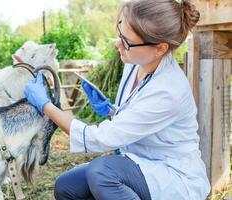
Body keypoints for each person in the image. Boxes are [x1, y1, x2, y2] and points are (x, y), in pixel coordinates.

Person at [24, 0, 211, 199]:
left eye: (127, 42)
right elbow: (140, 118)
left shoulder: (169, 90)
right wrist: (112, 110)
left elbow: (101, 139)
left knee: (102, 172)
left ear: (160, 48)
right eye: (120, 34)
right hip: (137, 164)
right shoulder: (135, 63)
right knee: (67, 186)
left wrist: (46, 106)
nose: (118, 44)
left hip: (172, 176)